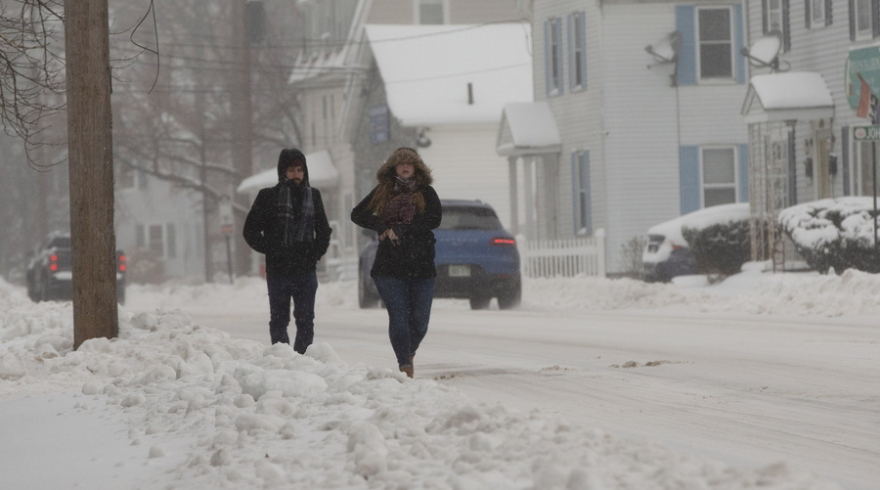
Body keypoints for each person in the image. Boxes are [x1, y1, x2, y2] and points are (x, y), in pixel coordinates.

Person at [351, 147, 442, 378]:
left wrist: (405, 228)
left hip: (421, 266)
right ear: (393, 167)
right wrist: (381, 226)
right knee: (399, 318)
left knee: (419, 322)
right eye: (401, 163)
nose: (405, 166)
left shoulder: (426, 191)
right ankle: (404, 365)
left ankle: (408, 352)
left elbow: (435, 219)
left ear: (416, 167)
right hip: (389, 267)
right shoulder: (383, 190)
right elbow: (357, 214)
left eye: (409, 163)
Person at [243, 148, 332, 353]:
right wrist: (270, 249)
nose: (296, 175)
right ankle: (282, 358)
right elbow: (250, 230)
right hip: (278, 270)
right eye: (291, 170)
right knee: (279, 319)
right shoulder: (268, 197)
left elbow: (324, 230)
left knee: (306, 319)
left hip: (305, 270)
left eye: (300, 170)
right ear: (283, 172)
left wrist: (315, 253)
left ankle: (303, 359)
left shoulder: (313, 196)